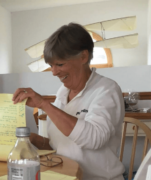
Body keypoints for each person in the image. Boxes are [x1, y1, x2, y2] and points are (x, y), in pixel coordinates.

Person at [12, 23, 125, 180]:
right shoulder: (63, 92)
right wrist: (33, 139)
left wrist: (44, 104)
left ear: (83, 57)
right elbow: (61, 145)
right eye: (51, 66)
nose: (54, 72)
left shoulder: (107, 89)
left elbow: (94, 139)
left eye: (60, 64)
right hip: (66, 176)